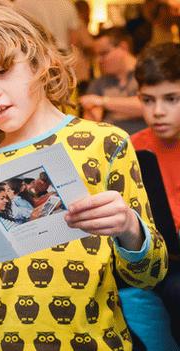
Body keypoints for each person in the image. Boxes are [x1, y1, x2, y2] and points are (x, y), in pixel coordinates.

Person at [0, 2, 167, 350]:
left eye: (1, 71)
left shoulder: (103, 144)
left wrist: (129, 228)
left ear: (39, 60)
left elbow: (149, 272)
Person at [133, 42, 180, 346]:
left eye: (172, 99)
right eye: (148, 100)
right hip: (160, 257)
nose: (158, 112)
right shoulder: (131, 147)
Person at [79, 27, 147, 135]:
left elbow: (147, 107)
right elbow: (90, 125)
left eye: (104, 53)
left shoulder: (149, 73)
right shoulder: (98, 83)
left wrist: (103, 102)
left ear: (123, 47)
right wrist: (129, 109)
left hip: (146, 146)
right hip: (111, 146)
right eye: (96, 55)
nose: (98, 60)